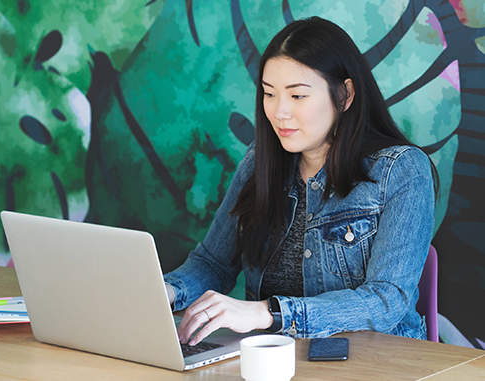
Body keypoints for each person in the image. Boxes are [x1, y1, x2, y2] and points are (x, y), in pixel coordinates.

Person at [163, 16, 437, 346]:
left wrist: (269, 313)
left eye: (297, 96)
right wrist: (167, 291)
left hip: (376, 363)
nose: (279, 112)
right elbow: (213, 263)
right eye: (269, 94)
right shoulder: (260, 160)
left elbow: (386, 300)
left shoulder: (402, 171)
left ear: (345, 94)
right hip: (276, 360)